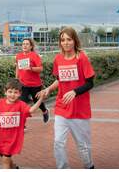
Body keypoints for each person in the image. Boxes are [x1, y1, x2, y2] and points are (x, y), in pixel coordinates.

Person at [36, 27, 95, 169]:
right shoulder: (58, 59)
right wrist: (48, 89)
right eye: (63, 40)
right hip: (62, 107)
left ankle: (89, 166)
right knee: (58, 142)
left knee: (83, 145)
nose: (66, 43)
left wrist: (75, 92)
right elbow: (60, 80)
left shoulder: (81, 58)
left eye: (69, 39)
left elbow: (90, 83)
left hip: (79, 110)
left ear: (75, 40)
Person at [0, 78, 45, 169]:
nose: (12, 95)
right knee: (5, 157)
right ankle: (14, 167)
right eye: (10, 92)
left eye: (15, 92)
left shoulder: (21, 105)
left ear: (20, 93)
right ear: (5, 92)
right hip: (0, 138)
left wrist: (41, 99)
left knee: (5, 160)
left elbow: (31, 110)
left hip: (13, 139)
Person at [15, 38, 49, 124]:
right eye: (23, 44)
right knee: (22, 103)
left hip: (35, 84)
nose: (24, 45)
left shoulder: (34, 56)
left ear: (31, 46)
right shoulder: (19, 56)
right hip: (23, 84)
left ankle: (45, 111)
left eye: (27, 44)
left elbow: (40, 69)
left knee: (37, 101)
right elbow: (17, 68)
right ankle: (22, 124)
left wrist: (31, 68)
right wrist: (16, 79)